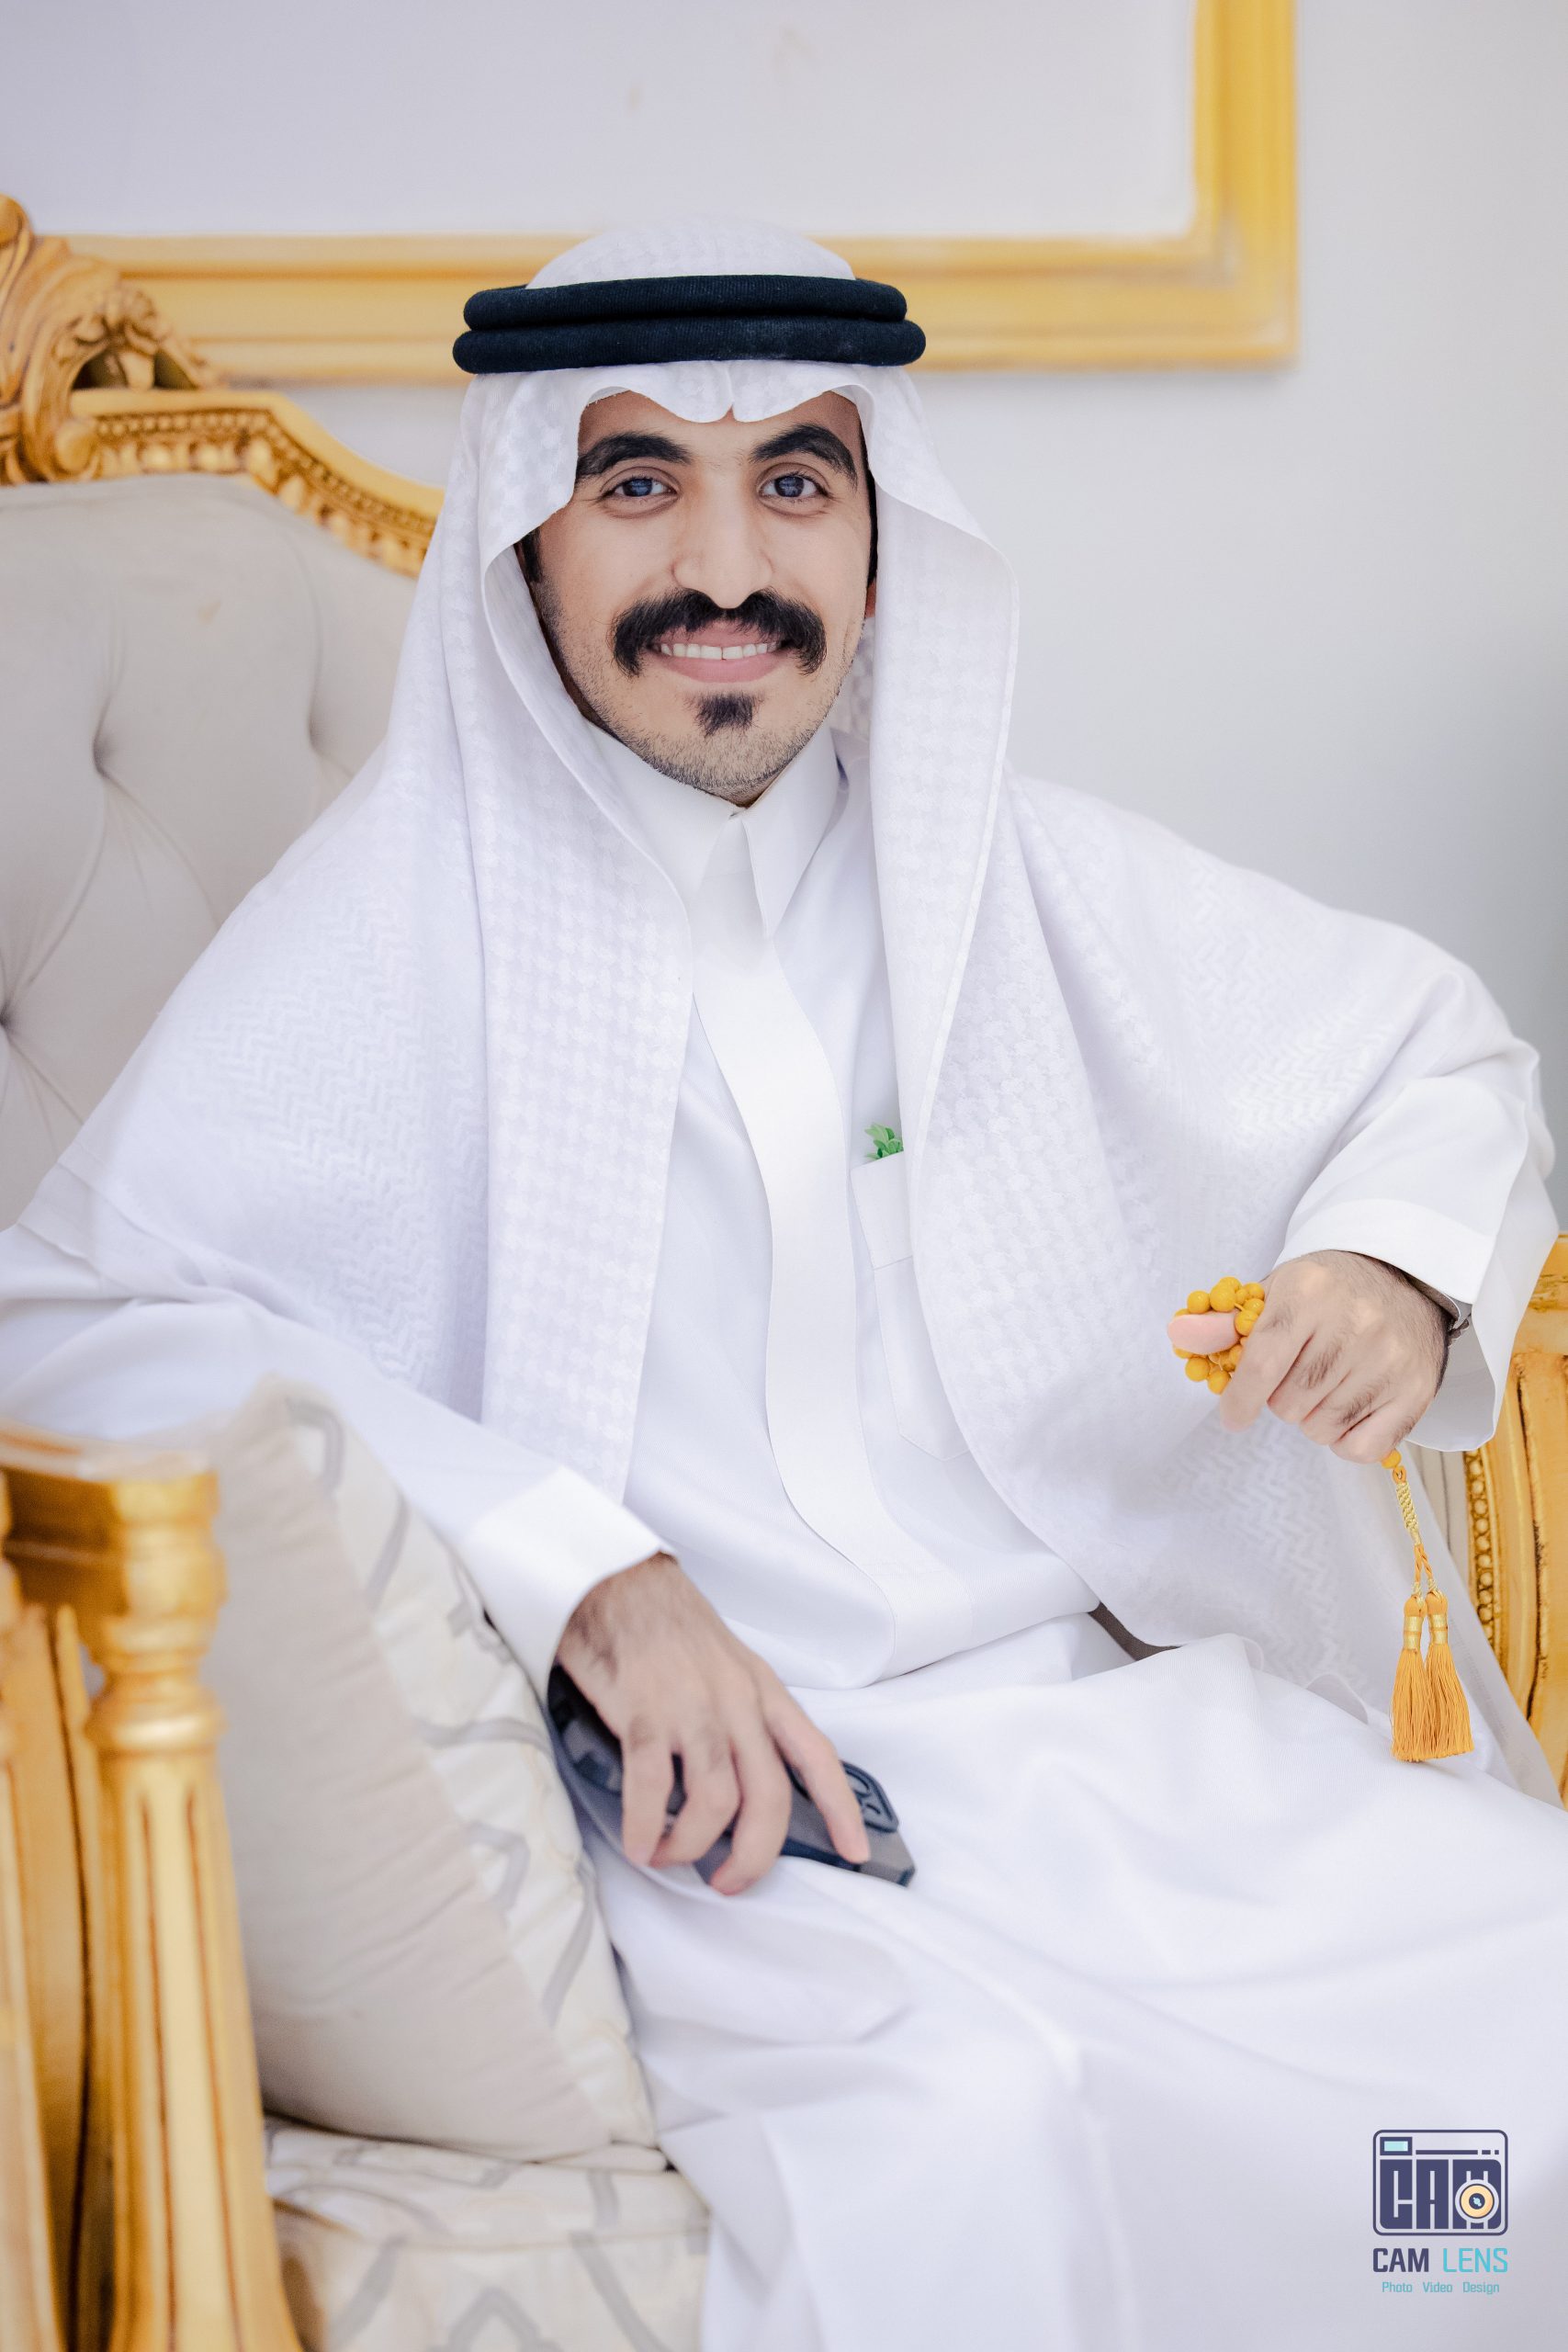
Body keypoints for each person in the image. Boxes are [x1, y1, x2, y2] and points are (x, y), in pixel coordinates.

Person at [2, 220, 1565, 2349]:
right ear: (531, 539)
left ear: (881, 535)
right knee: (970, 2147)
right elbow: (68, 1311)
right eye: (639, 479)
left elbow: (1430, 1048)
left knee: (1522, 2000)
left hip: (1110, 1738)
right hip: (736, 1829)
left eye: (796, 480)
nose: (722, 566)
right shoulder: (383, 931)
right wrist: (580, 1567)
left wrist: (1383, 1262)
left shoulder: (1008, 876)